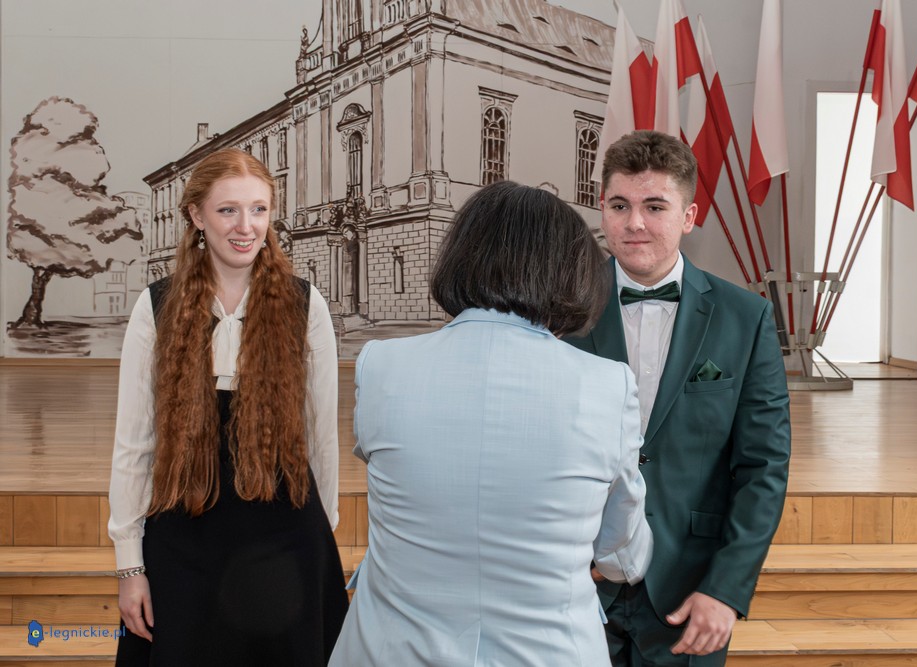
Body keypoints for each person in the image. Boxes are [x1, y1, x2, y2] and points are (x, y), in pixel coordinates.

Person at [330, 180, 654, 666]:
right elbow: (622, 556)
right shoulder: (608, 385)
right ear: (572, 272)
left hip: (391, 651)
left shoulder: (382, 366)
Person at [109, 148, 349, 666]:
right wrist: (130, 567)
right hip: (184, 533)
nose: (246, 226)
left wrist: (319, 544)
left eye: (259, 209)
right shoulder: (156, 306)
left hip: (285, 537)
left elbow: (321, 438)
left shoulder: (306, 305)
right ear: (196, 216)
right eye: (228, 210)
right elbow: (134, 445)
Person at [565, 130, 791, 666]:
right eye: (619, 205)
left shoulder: (746, 317)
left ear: (689, 216)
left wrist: (726, 589)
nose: (634, 223)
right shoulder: (560, 311)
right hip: (575, 583)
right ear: (602, 209)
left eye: (654, 206)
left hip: (690, 589)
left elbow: (763, 466)